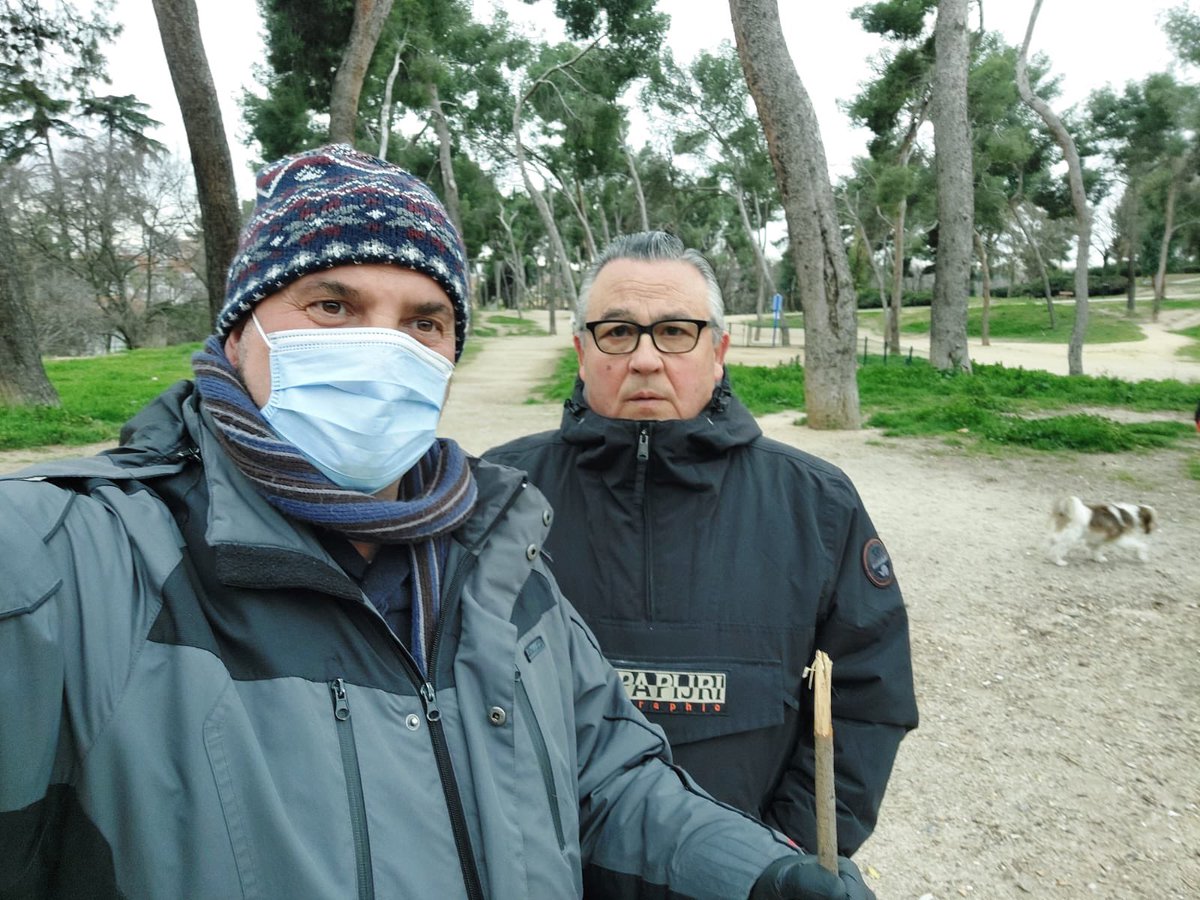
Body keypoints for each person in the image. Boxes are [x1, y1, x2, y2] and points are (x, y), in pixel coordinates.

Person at [0, 147, 874, 900]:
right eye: (333, 306)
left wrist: (761, 872)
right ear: (238, 332)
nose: (384, 349)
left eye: (425, 320)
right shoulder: (63, 562)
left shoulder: (491, 548)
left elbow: (603, 778)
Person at [484, 231, 919, 858]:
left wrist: (785, 849)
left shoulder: (816, 504)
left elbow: (868, 697)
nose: (645, 359)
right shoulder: (500, 496)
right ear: (582, 351)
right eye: (618, 332)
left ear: (718, 350)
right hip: (545, 869)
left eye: (675, 332)